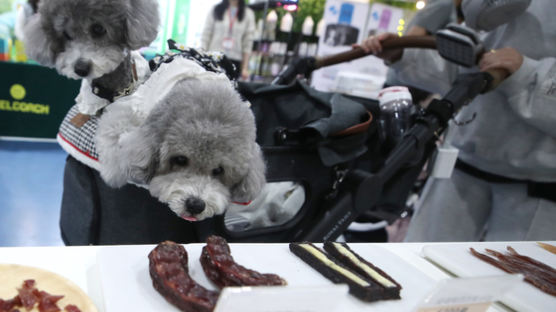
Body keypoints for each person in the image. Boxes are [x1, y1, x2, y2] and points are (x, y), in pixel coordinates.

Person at [359, 0, 556, 241]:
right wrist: (404, 55)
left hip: (536, 187)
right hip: (462, 165)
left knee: (513, 275)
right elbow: (462, 71)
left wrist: (528, 74)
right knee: (421, 264)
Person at [201, 0, 255, 81]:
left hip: (234, 61)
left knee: (229, 90)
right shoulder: (216, 9)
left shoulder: (248, 14)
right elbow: (206, 34)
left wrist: (245, 68)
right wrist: (202, 56)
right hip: (214, 57)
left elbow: (247, 42)